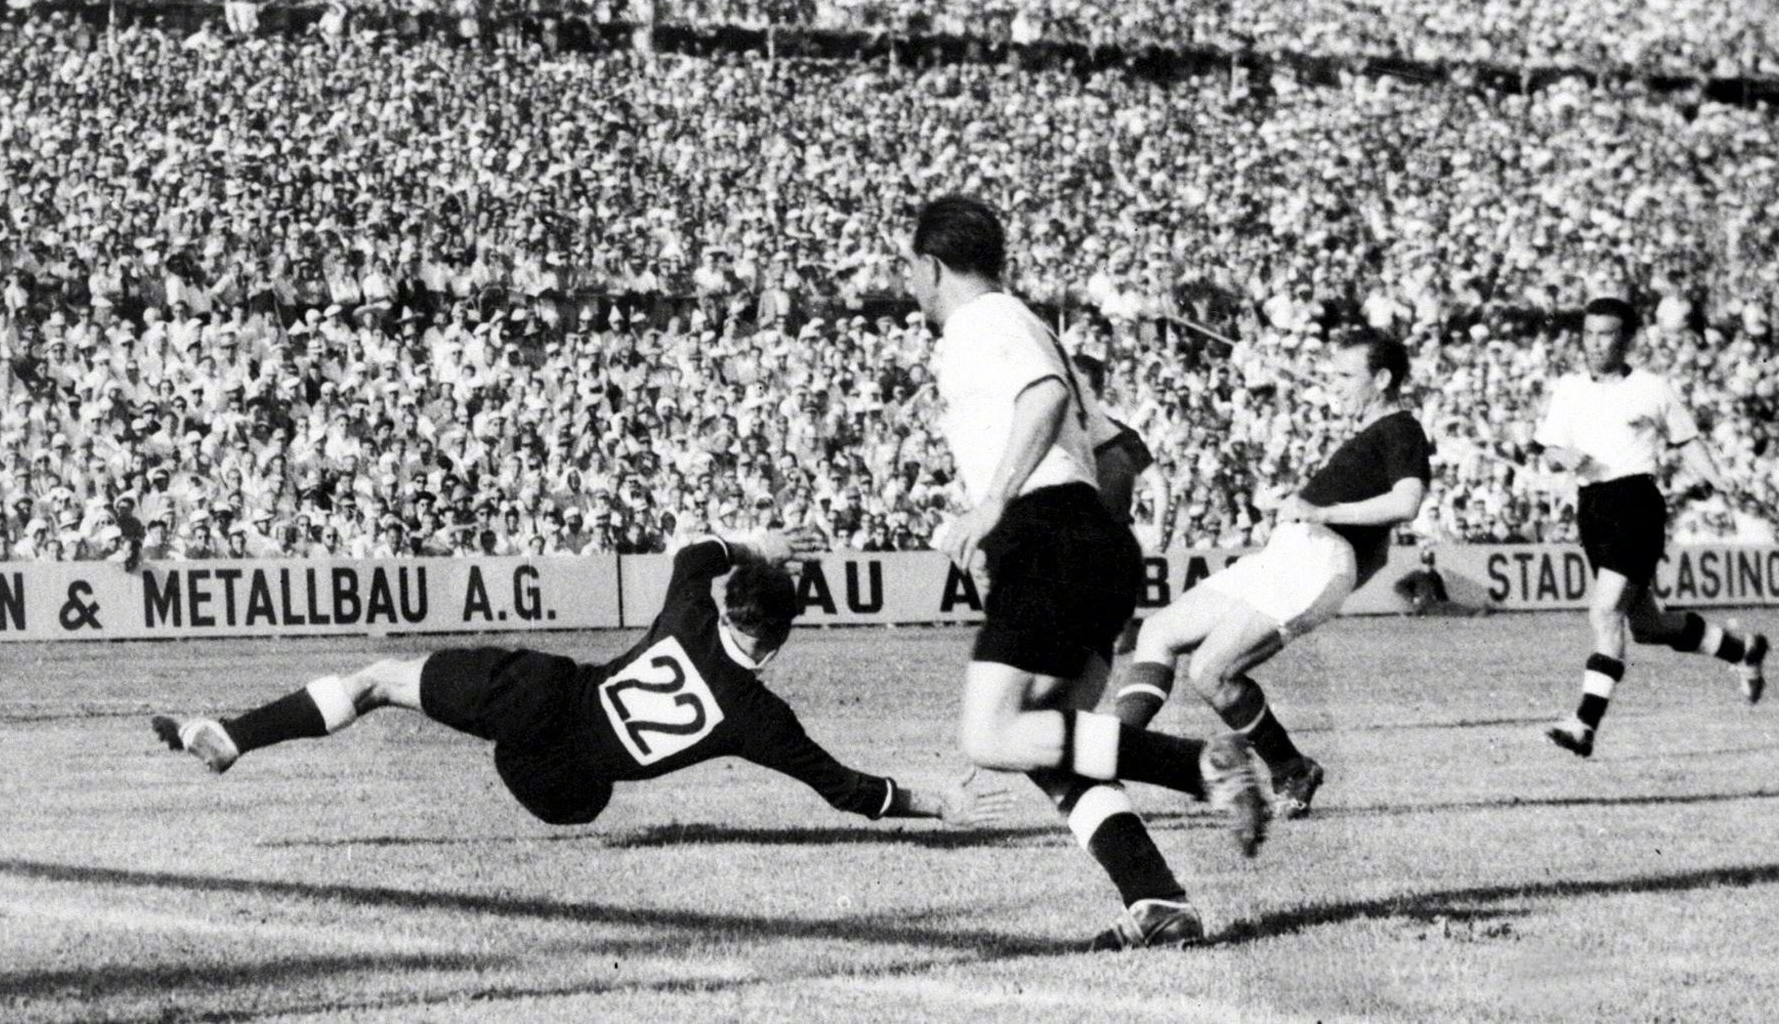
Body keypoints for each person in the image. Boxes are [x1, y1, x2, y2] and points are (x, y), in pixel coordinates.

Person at [904, 195, 1268, 954]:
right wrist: (1089, 540)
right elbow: (1113, 456)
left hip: (1047, 532)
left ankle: (1200, 766)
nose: (909, 285)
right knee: (1055, 747)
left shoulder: (979, 322)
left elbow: (1044, 398)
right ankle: (1156, 897)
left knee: (992, 733)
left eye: (910, 270)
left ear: (932, 266)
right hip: (1088, 535)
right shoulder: (1032, 326)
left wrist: (998, 507)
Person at [154, 528, 1010, 833]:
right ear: (779, 638)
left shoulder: (689, 613)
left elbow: (695, 554)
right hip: (565, 785)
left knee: (379, 679)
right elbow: (845, 788)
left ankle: (235, 737)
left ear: (728, 605)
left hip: (543, 692)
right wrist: (937, 800)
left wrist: (759, 544)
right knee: (581, 790)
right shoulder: (759, 717)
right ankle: (230, 738)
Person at [1114, 327, 1432, 820]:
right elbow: (1378, 552)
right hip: (1291, 553)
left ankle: (1287, 769)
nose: (1335, 386)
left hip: (1315, 556)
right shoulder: (1367, 437)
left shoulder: (1401, 428)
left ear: (1383, 379)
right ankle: (1112, 755)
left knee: (1210, 671)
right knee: (1159, 631)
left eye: (1346, 376)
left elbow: (1407, 502)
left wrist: (1322, 516)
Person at [1533, 297, 1766, 759]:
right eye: (1589, 333)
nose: (1595, 343)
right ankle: (1743, 651)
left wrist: (1719, 480)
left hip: (1636, 503)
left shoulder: (1651, 387)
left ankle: (1584, 724)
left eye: (1606, 334)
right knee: (1647, 626)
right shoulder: (1569, 388)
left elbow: (1686, 439)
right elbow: (1550, 449)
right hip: (1592, 506)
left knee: (1605, 613)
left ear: (1627, 339)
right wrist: (1564, 457)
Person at [1070, 353, 1172, 550]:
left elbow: (1159, 482)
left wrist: (1158, 529)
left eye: (1085, 391)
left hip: (1112, 539)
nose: (1080, 399)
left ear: (1099, 393)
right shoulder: (1055, 436)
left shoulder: (1123, 436)